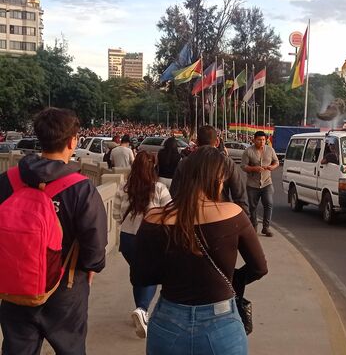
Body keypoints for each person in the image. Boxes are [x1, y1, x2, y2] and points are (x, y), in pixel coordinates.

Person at [133, 146, 268, 355]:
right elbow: (259, 268)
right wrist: (231, 280)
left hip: (168, 320)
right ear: (217, 179)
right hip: (221, 323)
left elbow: (140, 276)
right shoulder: (233, 214)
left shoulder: (154, 218)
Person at [0, 107, 108, 355]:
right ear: (73, 141)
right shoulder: (81, 189)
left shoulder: (9, 180)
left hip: (15, 285)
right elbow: (94, 246)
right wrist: (91, 267)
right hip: (65, 288)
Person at [113, 151, 171, 338]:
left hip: (128, 239)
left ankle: (140, 311)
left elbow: (115, 215)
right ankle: (142, 309)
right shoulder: (159, 188)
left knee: (139, 273)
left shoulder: (124, 187)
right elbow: (169, 214)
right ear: (153, 166)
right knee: (151, 275)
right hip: (151, 238)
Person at [170, 126, 248, 215]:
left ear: (197, 142)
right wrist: (244, 223)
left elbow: (174, 195)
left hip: (191, 216)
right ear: (217, 142)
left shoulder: (185, 163)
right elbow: (240, 197)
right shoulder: (226, 162)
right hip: (220, 215)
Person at [241, 131, 279, 237]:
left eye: (263, 140)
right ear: (254, 140)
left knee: (269, 204)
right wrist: (254, 168)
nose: (261, 142)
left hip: (267, 183)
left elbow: (276, 162)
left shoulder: (270, 150)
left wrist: (273, 167)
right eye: (259, 140)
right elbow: (243, 166)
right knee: (253, 207)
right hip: (252, 184)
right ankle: (254, 226)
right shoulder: (248, 151)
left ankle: (266, 228)